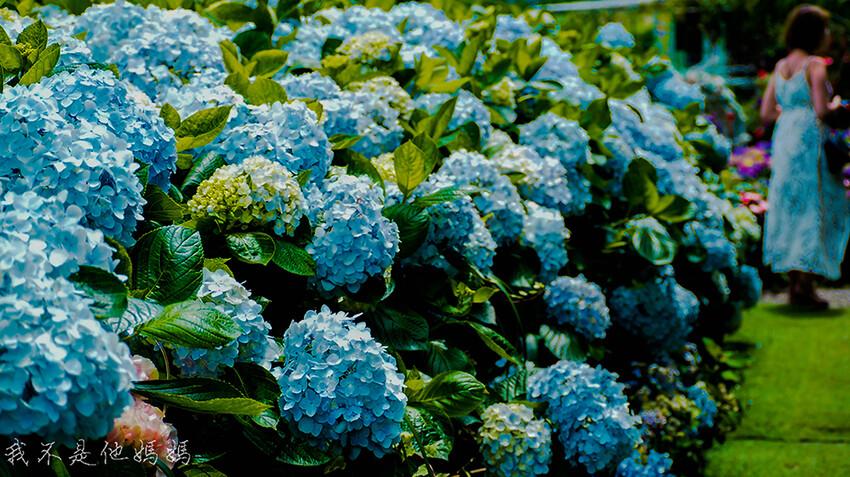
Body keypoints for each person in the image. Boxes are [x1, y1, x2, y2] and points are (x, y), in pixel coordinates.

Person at [760, 4, 850, 309]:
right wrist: (838, 104)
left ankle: (794, 285)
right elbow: (823, 110)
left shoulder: (781, 66)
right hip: (810, 140)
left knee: (790, 204)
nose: (828, 35)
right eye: (825, 30)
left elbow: (766, 112)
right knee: (815, 204)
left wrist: (792, 114)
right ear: (814, 33)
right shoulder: (815, 65)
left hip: (786, 137)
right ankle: (806, 286)